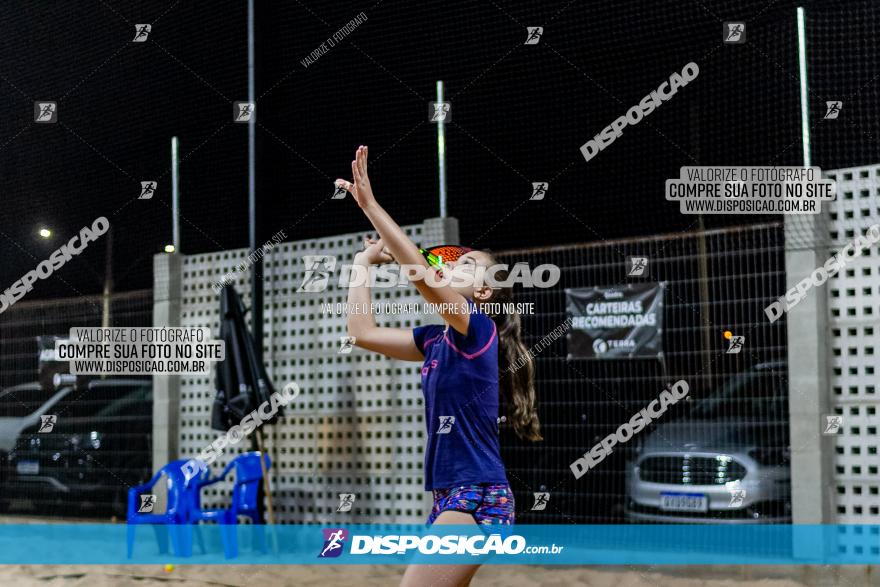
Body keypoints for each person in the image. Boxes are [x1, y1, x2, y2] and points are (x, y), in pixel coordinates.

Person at [337, 146, 542, 587]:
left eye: (467, 265)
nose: (452, 265)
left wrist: (371, 206)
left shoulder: (480, 330)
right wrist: (361, 264)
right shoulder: (434, 340)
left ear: (483, 293)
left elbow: (423, 278)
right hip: (451, 493)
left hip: (477, 494)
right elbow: (362, 331)